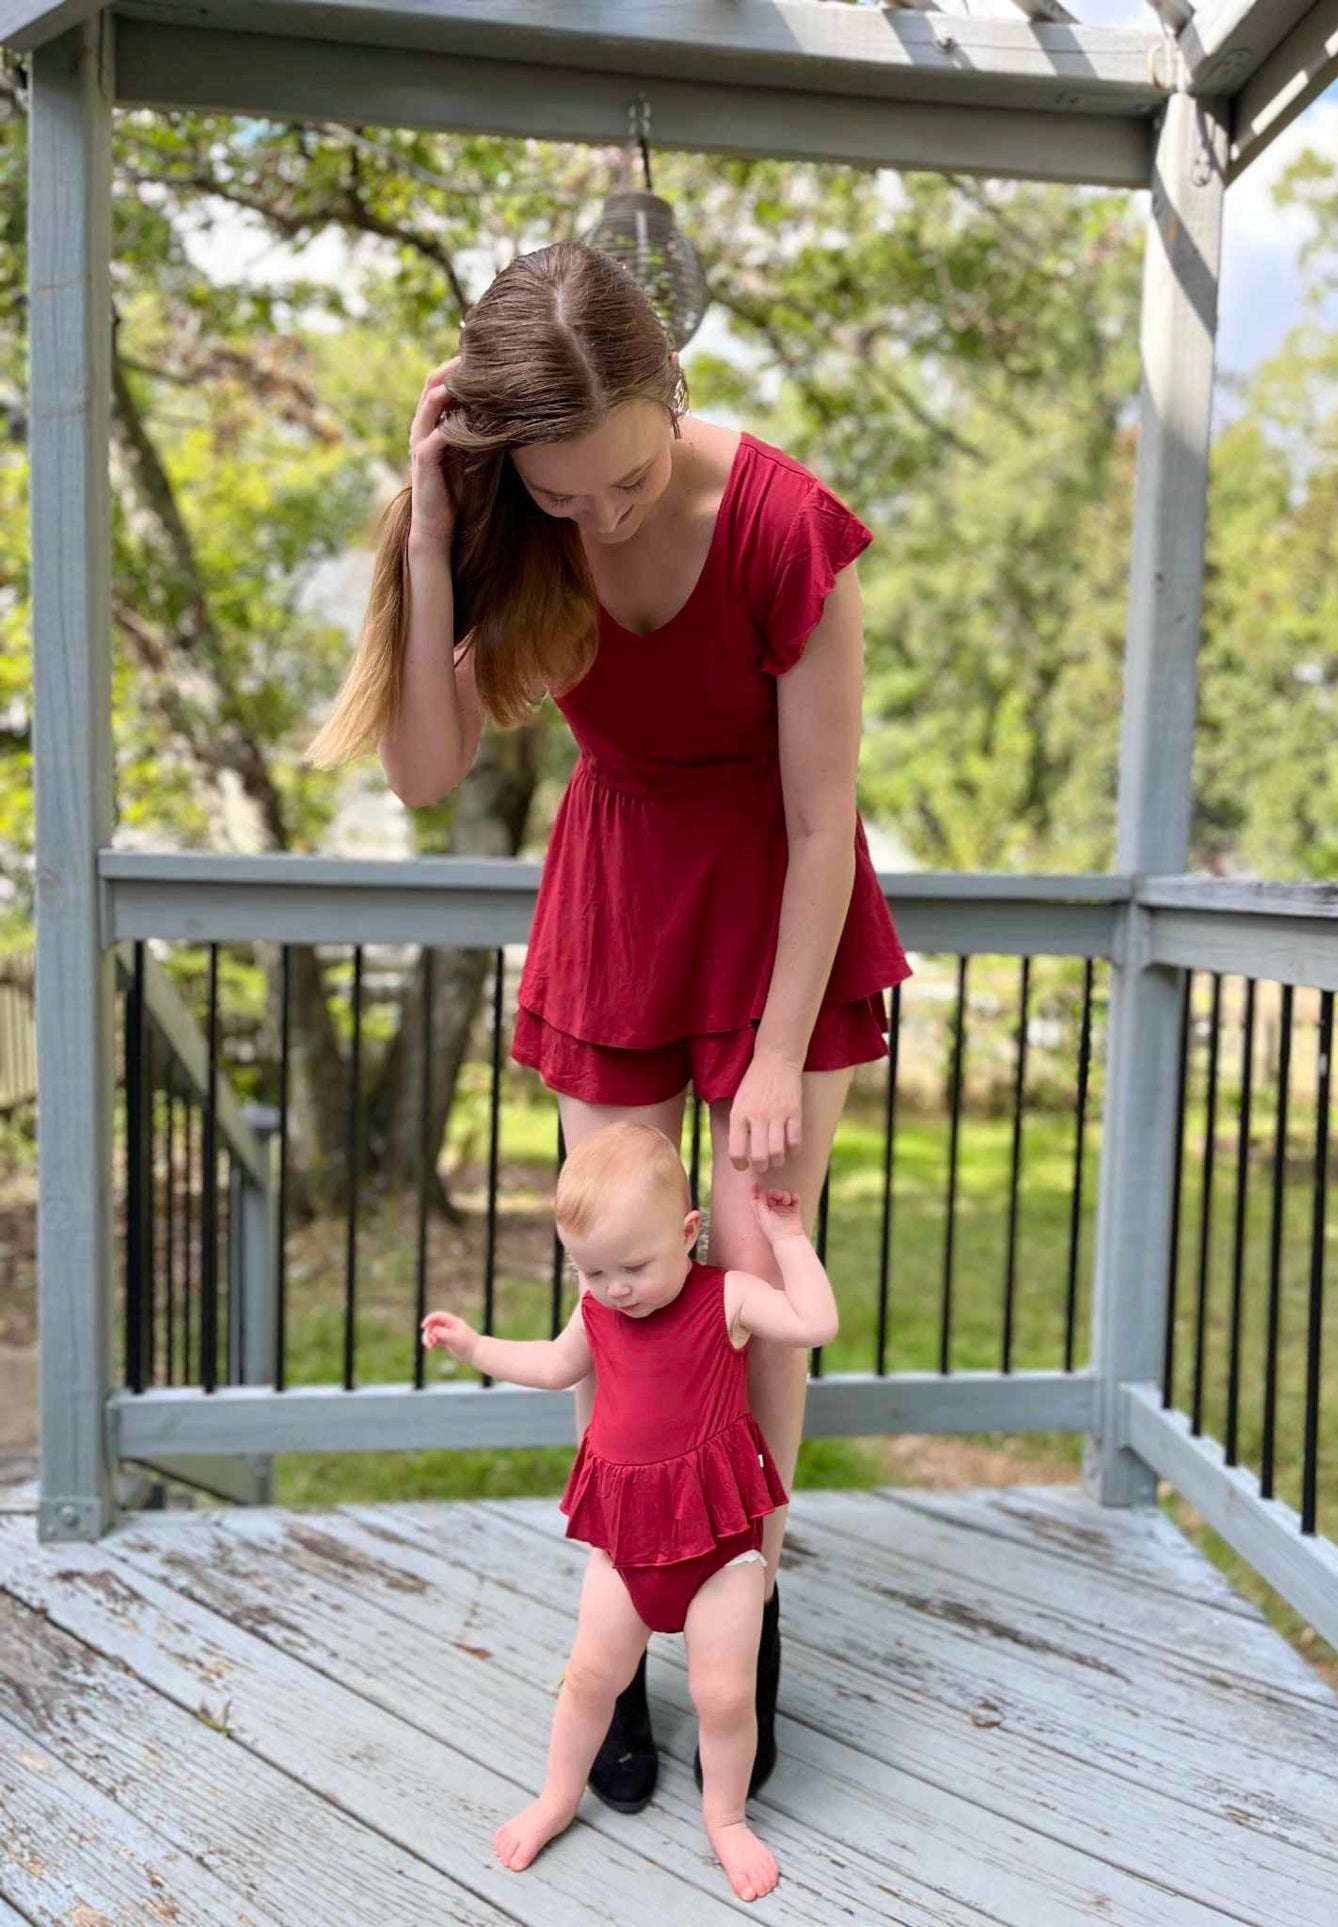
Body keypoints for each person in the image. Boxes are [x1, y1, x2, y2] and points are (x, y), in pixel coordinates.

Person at [307, 239, 910, 1810]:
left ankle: (745, 1595)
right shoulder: (519, 514)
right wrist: (439, 536)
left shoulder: (785, 525)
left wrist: (779, 1053)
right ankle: (629, 1622)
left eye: (625, 482)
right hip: (623, 892)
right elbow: (425, 773)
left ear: (673, 391)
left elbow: (824, 811)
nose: (600, 519)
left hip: (782, 898)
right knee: (633, 1264)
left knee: (761, 1256)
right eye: (561, 497)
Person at [420, 1121, 840, 1902]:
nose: (614, 1287)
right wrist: (474, 1346)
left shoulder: (729, 1298)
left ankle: (725, 1818)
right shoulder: (598, 1311)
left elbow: (815, 1324)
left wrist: (787, 1237)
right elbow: (551, 1365)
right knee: (588, 1678)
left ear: (688, 1232)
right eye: (591, 1269)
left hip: (719, 1548)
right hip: (626, 1542)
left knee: (724, 1695)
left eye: (634, 1266)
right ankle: (555, 1795)